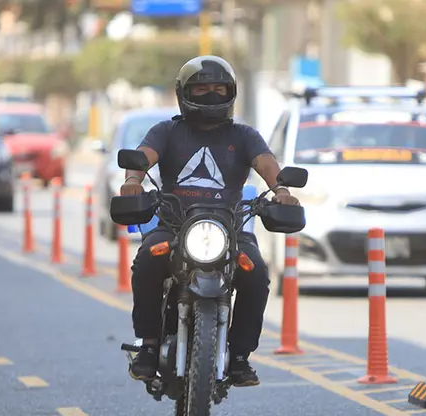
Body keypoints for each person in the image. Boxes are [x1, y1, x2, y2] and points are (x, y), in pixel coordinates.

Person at [120, 56, 300, 387]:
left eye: (219, 88)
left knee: (256, 273)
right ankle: (147, 345)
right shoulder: (167, 131)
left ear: (231, 92)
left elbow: (266, 162)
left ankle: (241, 356)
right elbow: (142, 157)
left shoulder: (244, 135)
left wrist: (281, 190)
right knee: (146, 260)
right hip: (173, 226)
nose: (211, 94)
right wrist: (133, 180)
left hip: (230, 228)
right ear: (184, 92)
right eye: (201, 88)